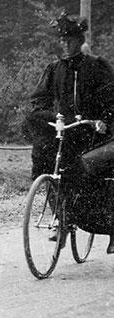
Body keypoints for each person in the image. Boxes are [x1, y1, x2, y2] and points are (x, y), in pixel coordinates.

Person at [24, 14, 114, 251]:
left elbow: (111, 100)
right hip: (67, 132)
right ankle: (61, 219)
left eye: (70, 40)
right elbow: (38, 102)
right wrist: (52, 118)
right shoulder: (54, 70)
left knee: (91, 171)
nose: (65, 44)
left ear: (80, 40)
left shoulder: (97, 66)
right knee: (45, 161)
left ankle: (107, 222)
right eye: (62, 40)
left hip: (93, 134)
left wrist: (102, 120)